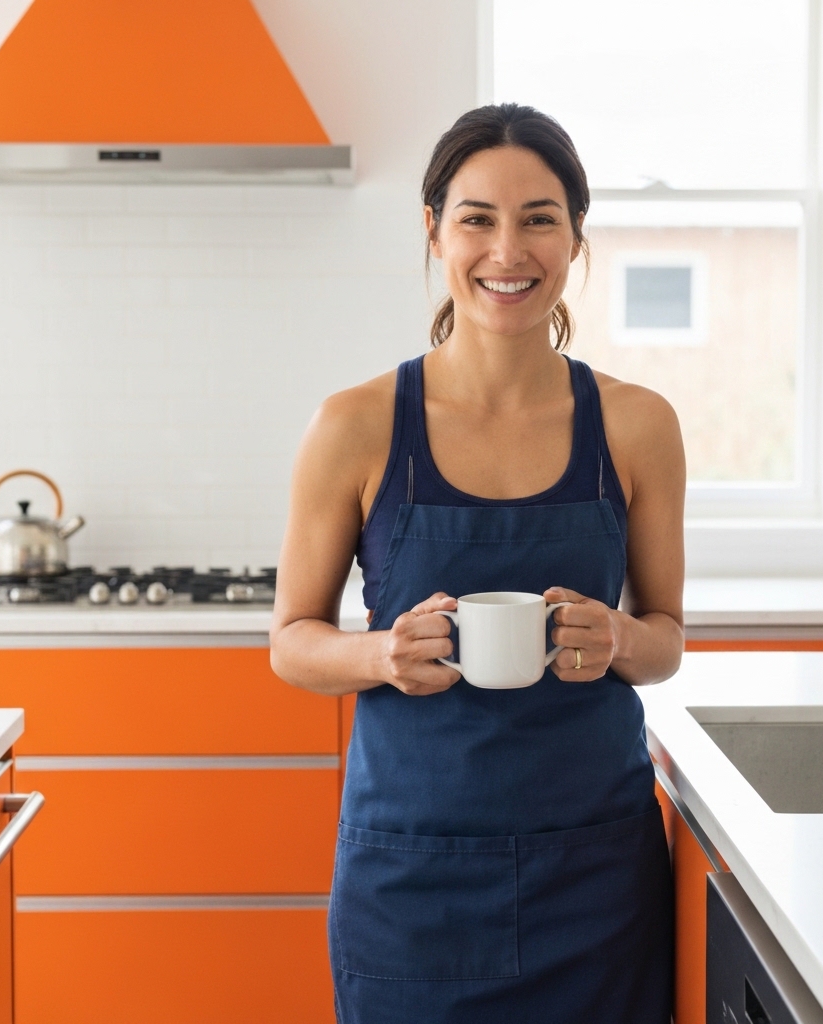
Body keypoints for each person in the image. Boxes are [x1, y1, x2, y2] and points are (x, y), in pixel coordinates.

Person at [270, 103, 685, 1024]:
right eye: (477, 219)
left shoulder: (638, 425)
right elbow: (292, 642)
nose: (510, 250)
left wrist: (617, 635)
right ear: (433, 230)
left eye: (540, 217)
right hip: (411, 881)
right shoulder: (356, 425)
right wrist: (380, 654)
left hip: (595, 878)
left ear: (577, 236)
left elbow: (665, 642)